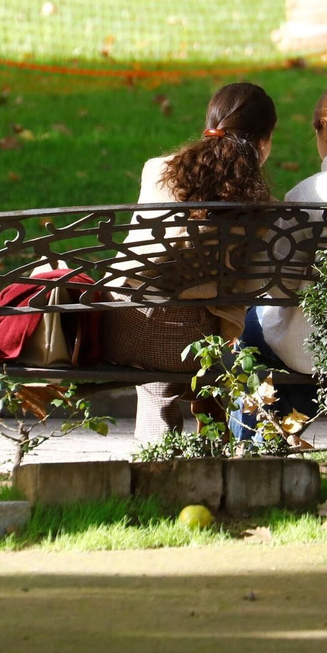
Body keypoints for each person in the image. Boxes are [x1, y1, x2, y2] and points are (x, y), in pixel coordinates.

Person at [102, 82, 278, 442]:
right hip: (188, 344)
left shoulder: (158, 170)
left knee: (158, 353)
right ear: (264, 141)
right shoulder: (259, 206)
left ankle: (158, 449)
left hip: (117, 327)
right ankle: (201, 441)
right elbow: (237, 299)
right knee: (188, 334)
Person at [231, 76, 327, 441]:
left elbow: (276, 285)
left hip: (314, 349)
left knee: (252, 325)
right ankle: (282, 425)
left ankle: (256, 433)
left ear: (323, 130)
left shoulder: (308, 194)